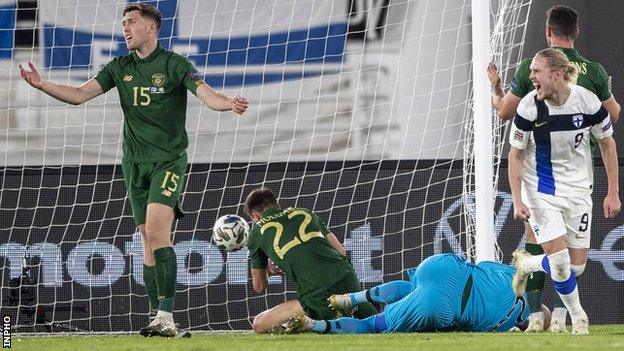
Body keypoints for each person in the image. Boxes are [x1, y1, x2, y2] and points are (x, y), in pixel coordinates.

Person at [19, 3, 249, 337]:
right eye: (123, 23)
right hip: (134, 163)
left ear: (151, 28)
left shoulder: (173, 64)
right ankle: (158, 316)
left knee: (157, 234)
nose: (125, 28)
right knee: (145, 238)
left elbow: (207, 95)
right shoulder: (119, 66)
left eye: (131, 22)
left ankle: (167, 316)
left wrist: (228, 102)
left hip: (167, 161)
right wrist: (43, 85)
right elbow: (80, 95)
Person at [487, 5, 621, 332]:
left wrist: (496, 90)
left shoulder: (529, 67)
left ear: (549, 32)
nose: (534, 77)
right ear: (575, 32)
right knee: (559, 256)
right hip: (556, 174)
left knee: (565, 259)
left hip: (559, 170)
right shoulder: (595, 71)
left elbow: (504, 112)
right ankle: (557, 320)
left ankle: (536, 310)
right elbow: (613, 115)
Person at [285, 253, 550, 334]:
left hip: (443, 267)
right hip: (440, 305)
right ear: (524, 322)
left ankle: (355, 297)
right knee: (373, 326)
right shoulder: (501, 329)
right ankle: (314, 324)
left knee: (414, 286)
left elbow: (480, 266)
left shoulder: (512, 275)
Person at [244, 188, 378, 333]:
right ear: (277, 205)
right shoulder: (304, 212)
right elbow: (341, 251)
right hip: (347, 278)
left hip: (316, 295)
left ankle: (303, 324)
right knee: (379, 323)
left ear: (256, 216)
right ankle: (356, 308)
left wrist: (266, 270)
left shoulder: (256, 233)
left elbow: (259, 287)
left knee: (259, 323)